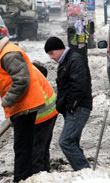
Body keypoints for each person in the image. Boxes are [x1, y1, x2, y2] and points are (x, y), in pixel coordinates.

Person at [0, 34, 46, 183]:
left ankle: (21, 182)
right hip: (22, 106)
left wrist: (8, 99)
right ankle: (23, 179)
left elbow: (21, 80)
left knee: (22, 148)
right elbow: (1, 77)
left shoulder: (9, 54)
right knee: (22, 146)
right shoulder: (3, 55)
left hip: (26, 106)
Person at [0, 61, 58, 173]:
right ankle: (45, 177)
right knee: (42, 148)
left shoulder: (15, 79)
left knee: (35, 151)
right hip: (51, 109)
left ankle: (38, 179)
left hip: (40, 113)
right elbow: (43, 70)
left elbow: (19, 100)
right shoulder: (21, 67)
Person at [44, 36, 92, 170]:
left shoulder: (74, 60)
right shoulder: (66, 61)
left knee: (66, 141)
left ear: (59, 49)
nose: (51, 58)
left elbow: (79, 85)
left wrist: (72, 105)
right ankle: (84, 173)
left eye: (51, 53)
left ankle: (84, 171)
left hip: (78, 107)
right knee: (72, 141)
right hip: (72, 108)